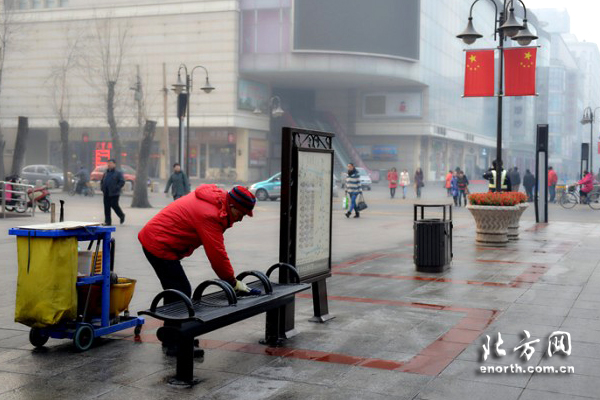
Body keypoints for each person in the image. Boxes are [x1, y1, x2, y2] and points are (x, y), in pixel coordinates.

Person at [138, 184, 259, 356]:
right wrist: (232, 282)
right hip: (158, 244)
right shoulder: (209, 214)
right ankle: (174, 342)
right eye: (242, 214)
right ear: (232, 206)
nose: (241, 219)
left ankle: (177, 335)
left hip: (161, 241)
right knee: (179, 291)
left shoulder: (218, 203)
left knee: (177, 291)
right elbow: (217, 254)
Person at [100, 159, 125, 225]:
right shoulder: (106, 172)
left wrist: (117, 187)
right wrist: (102, 187)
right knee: (106, 207)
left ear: (114, 164)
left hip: (114, 193)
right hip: (106, 192)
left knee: (114, 205)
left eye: (110, 163)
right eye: (108, 163)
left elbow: (122, 181)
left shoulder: (118, 173)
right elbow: (102, 181)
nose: (109, 164)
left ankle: (121, 215)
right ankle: (107, 221)